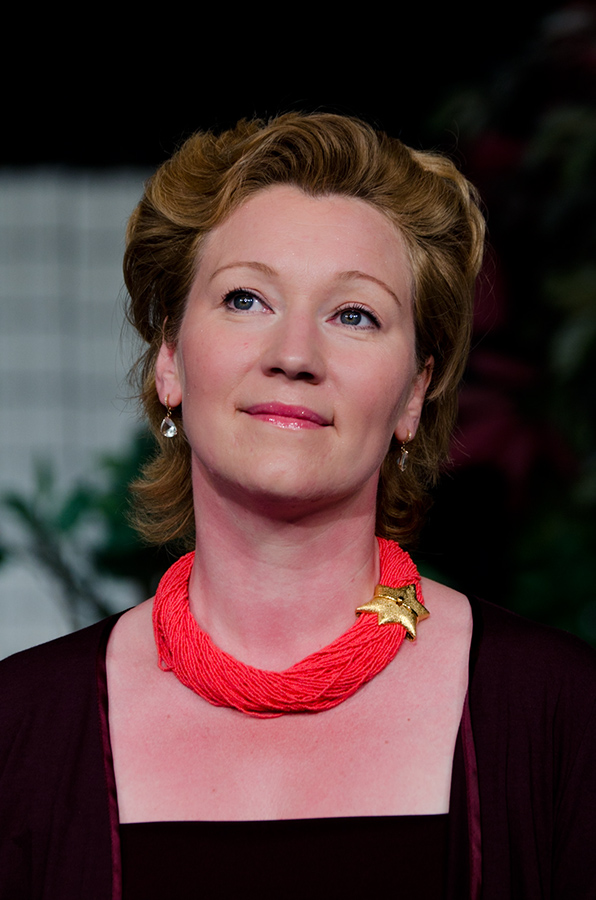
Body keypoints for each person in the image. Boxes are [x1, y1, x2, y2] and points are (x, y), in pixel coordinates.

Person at [1, 113, 595, 899]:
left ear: (414, 394)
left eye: (355, 315)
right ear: (170, 359)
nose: (294, 356)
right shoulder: (17, 731)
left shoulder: (563, 714)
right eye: (246, 299)